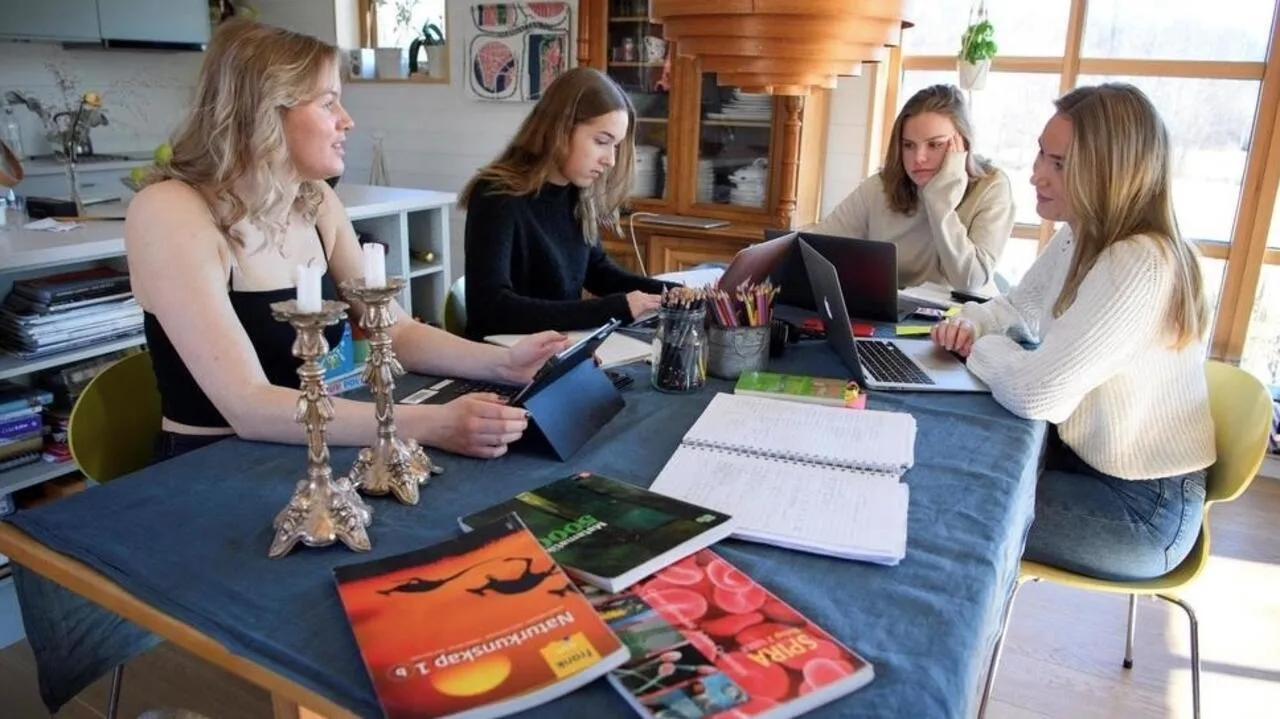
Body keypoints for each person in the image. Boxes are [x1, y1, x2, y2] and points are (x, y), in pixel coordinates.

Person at [125, 20, 567, 461]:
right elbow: (249, 406)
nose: (347, 121)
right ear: (265, 112)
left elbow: (396, 330)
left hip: (311, 444)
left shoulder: (314, 199)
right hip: (209, 465)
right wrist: (427, 423)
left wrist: (505, 364)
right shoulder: (169, 210)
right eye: (328, 103)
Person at [930, 83, 1216, 582]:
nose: (1037, 173)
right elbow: (1020, 305)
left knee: (949, 505)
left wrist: (985, 346)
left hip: (1141, 507)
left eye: (1058, 164)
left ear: (1108, 172)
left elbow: (1038, 393)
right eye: (1042, 153)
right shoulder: (1082, 233)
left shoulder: (1138, 264)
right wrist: (969, 323)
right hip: (1086, 459)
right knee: (947, 462)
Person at [459, 66, 670, 340]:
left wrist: (669, 292)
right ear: (560, 129)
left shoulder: (575, 193)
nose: (611, 160)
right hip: (501, 360)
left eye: (615, 146)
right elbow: (491, 309)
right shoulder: (496, 196)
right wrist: (612, 308)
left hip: (555, 348)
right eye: (602, 141)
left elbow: (600, 272)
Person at [807, 84, 1016, 292]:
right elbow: (814, 247)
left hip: (962, 319)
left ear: (963, 145)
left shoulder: (992, 187)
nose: (919, 158)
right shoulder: (880, 186)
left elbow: (970, 281)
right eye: (909, 145)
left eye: (934, 145)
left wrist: (940, 202)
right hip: (895, 316)